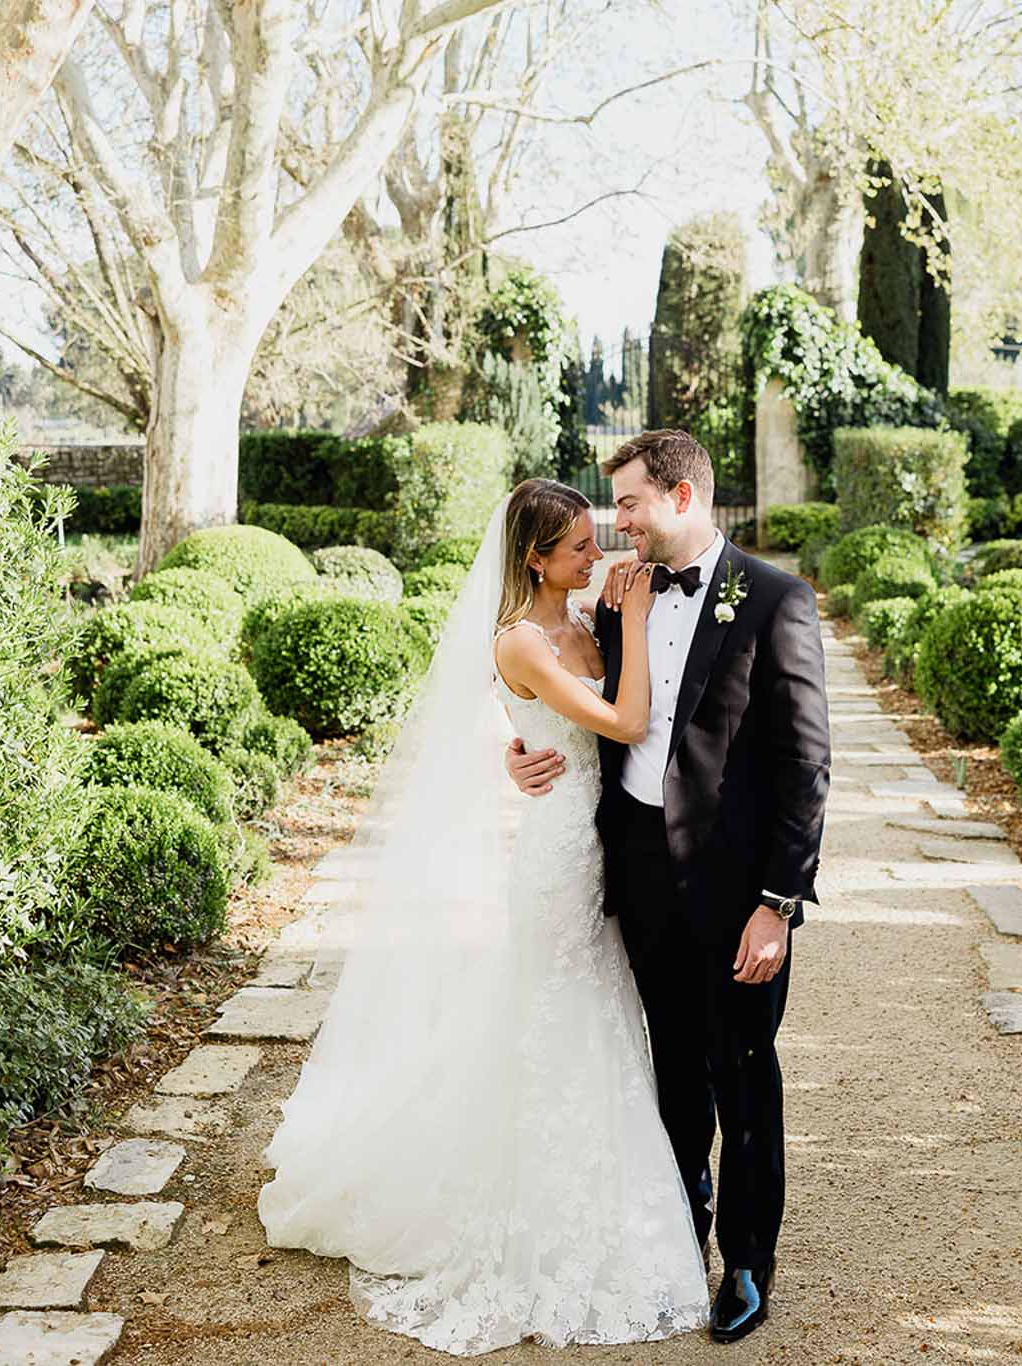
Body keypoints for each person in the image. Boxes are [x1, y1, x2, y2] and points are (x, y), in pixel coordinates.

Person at [257, 478, 710, 1355]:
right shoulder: (522, 641)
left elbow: (562, 721)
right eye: (579, 545)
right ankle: (540, 1219)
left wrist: (601, 633)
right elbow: (624, 720)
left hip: (602, 839)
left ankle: (610, 1201)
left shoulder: (580, 617)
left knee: (600, 1012)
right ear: (535, 558)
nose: (596, 552)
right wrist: (631, 626)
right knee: (556, 1016)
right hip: (559, 857)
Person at [505, 429, 831, 1344]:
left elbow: (807, 769)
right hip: (634, 868)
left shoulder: (776, 601)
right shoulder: (616, 597)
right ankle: (677, 1232)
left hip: (735, 892)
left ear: (682, 499)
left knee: (743, 1070)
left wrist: (778, 903)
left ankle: (749, 1263)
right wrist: (519, 751)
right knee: (669, 1066)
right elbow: (567, 697)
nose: (619, 524)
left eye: (633, 504)